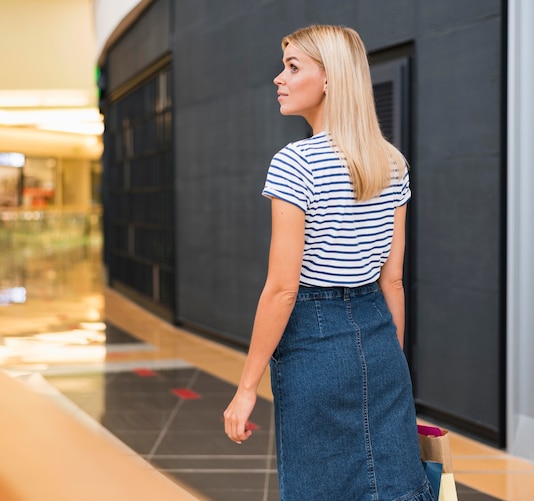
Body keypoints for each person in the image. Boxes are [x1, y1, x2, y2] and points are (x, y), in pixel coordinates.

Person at [223, 24, 433, 500]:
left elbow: (283, 288)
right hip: (381, 340)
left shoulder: (295, 162)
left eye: (293, 67)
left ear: (331, 79)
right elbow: (393, 281)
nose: (280, 77)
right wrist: (389, 362)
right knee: (393, 487)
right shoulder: (392, 163)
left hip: (314, 343)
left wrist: (246, 387)